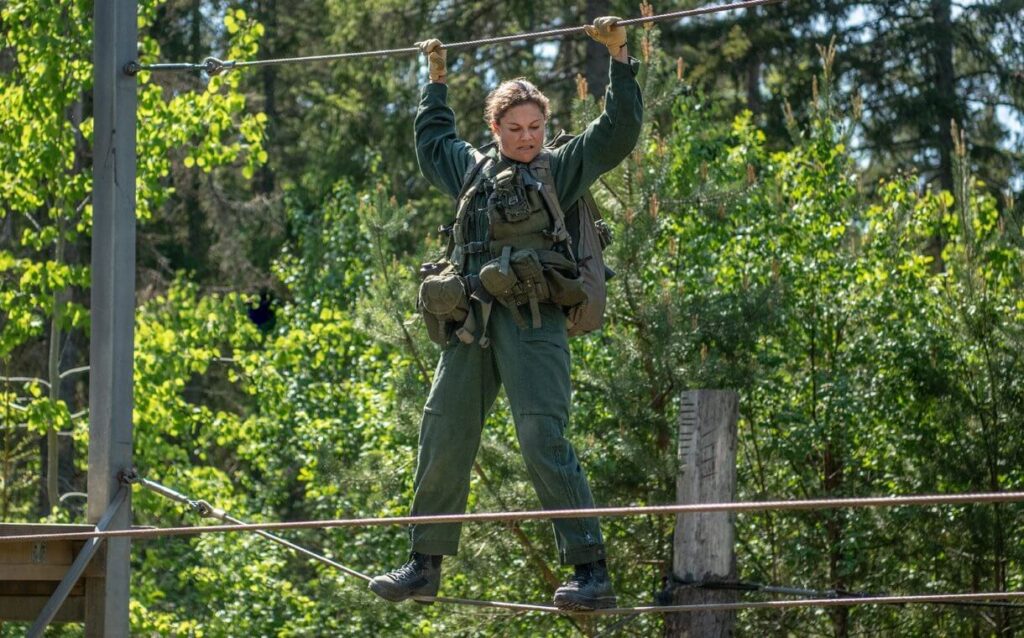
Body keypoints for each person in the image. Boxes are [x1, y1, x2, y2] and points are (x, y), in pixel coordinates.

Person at [369, 17, 643, 611]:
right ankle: (424, 563)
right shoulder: (471, 172)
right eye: (515, 128)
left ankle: (590, 570)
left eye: (536, 127)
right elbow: (431, 141)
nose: (527, 137)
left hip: (535, 320)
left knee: (543, 436)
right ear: (494, 129)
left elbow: (616, 133)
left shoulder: (559, 168)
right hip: (472, 323)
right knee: (443, 431)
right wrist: (435, 80)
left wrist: (621, 57)